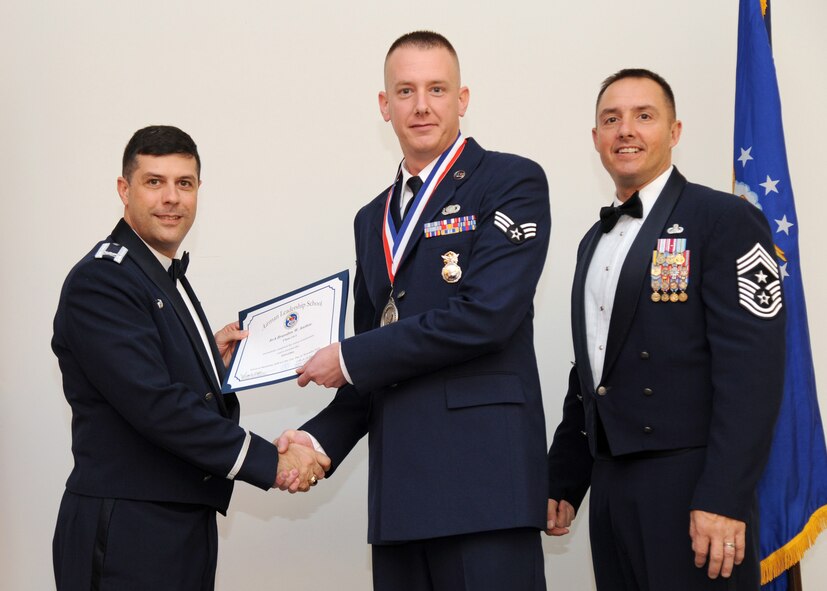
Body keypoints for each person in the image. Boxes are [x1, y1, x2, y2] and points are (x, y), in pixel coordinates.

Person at [278, 31, 551, 590]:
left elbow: (486, 316)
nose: (421, 105)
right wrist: (317, 441)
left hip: (484, 491)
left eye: (436, 89)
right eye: (405, 91)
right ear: (385, 106)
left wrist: (350, 358)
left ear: (462, 98)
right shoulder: (369, 217)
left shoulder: (510, 181)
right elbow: (372, 364)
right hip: (401, 495)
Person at [51, 125, 330, 591]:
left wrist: (207, 361)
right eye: (154, 181)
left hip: (176, 522)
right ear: (124, 190)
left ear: (199, 191)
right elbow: (156, 404)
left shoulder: (157, 272)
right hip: (128, 529)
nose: (171, 198)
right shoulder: (103, 280)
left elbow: (156, 375)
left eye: (184, 183)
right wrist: (270, 461)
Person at [545, 69, 786, 590]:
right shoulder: (594, 240)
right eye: (612, 119)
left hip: (691, 485)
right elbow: (591, 367)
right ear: (596, 139)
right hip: (612, 484)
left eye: (644, 116)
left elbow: (754, 374)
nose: (625, 130)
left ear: (674, 132)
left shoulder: (724, 219)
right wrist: (565, 475)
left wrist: (723, 497)